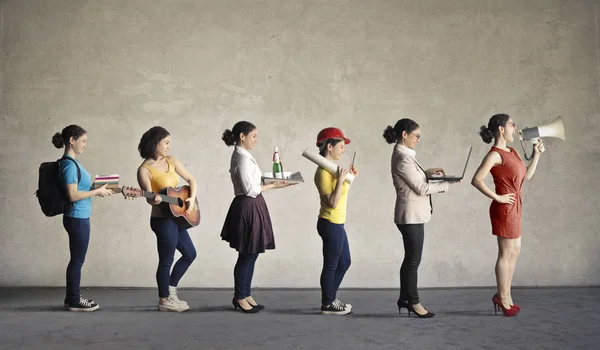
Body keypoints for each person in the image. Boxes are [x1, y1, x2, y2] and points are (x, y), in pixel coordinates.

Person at [383, 118, 458, 318]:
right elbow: (422, 188)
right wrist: (446, 184)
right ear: (404, 134)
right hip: (410, 216)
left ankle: (405, 298)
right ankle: (413, 302)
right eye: (416, 136)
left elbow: (414, 180)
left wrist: (426, 173)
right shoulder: (402, 157)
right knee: (413, 261)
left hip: (412, 215)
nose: (418, 139)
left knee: (410, 260)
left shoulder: (404, 155)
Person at [471, 114, 544, 317]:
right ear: (501, 129)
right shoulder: (494, 154)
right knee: (505, 254)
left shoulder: (512, 151)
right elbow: (476, 180)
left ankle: (507, 296)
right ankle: (502, 298)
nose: (516, 127)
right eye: (512, 124)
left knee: (515, 251)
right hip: (504, 208)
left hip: (516, 206)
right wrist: (498, 198)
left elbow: (525, 176)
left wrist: (536, 154)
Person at [220, 121, 294, 313]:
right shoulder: (241, 158)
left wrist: (274, 181)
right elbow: (250, 189)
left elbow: (253, 181)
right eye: (253, 136)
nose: (256, 140)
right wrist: (274, 186)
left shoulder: (244, 155)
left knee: (251, 254)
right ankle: (239, 297)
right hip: (248, 206)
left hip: (253, 205)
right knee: (246, 254)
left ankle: (245, 293)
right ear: (242, 136)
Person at [52, 125, 113, 312]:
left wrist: (100, 186)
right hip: (77, 218)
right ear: (72, 140)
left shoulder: (73, 163)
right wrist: (97, 191)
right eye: (83, 141)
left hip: (79, 217)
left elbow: (81, 188)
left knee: (77, 259)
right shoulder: (69, 165)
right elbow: (73, 195)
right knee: (77, 261)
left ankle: (71, 298)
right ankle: (74, 301)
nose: (85, 145)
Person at [137, 126, 198, 312]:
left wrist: (191, 198)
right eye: (166, 142)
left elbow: (191, 180)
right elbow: (149, 199)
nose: (168, 147)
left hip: (177, 217)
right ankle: (164, 300)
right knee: (166, 259)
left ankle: (170, 290)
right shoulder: (144, 170)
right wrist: (152, 198)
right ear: (155, 143)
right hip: (162, 219)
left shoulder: (172, 161)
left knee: (190, 254)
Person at [313, 127, 358, 316]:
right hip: (330, 222)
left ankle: (330, 298)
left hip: (338, 223)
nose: (343, 150)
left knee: (344, 262)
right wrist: (340, 181)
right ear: (329, 146)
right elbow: (332, 203)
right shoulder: (324, 172)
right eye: (340, 146)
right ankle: (328, 304)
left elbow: (343, 194)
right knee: (331, 264)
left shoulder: (334, 170)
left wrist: (350, 177)